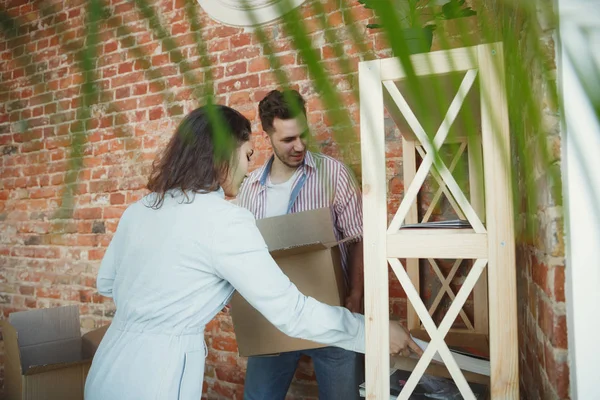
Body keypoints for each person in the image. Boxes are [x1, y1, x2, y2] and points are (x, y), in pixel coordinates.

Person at [84, 105, 420, 400]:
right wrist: (371, 332)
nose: (248, 170)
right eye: (246, 156)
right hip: (159, 375)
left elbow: (108, 283)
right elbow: (291, 312)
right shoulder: (225, 219)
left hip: (108, 363)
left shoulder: (139, 209)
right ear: (222, 155)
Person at [237, 89, 368, 400]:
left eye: (303, 135)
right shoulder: (250, 189)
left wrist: (355, 295)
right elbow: (241, 254)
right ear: (268, 135)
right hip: (273, 317)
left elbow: (359, 237)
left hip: (331, 317)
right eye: (287, 140)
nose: (299, 146)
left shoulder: (333, 174)